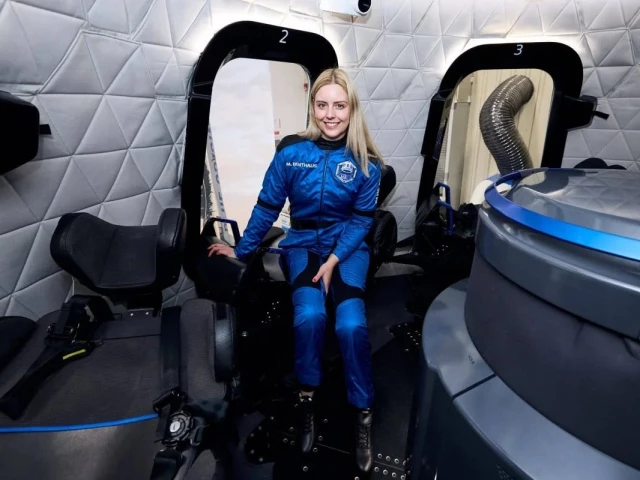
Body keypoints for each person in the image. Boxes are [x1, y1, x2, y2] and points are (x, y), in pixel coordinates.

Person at [208, 67, 383, 473]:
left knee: (351, 324)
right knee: (309, 316)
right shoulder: (291, 153)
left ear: (352, 109)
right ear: (312, 108)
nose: (330, 115)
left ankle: (362, 412)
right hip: (303, 243)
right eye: (322, 105)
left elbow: (361, 221)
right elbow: (267, 206)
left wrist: (335, 260)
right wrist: (240, 249)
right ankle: (306, 400)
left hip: (347, 247)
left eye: (339, 106)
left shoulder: (367, 164)